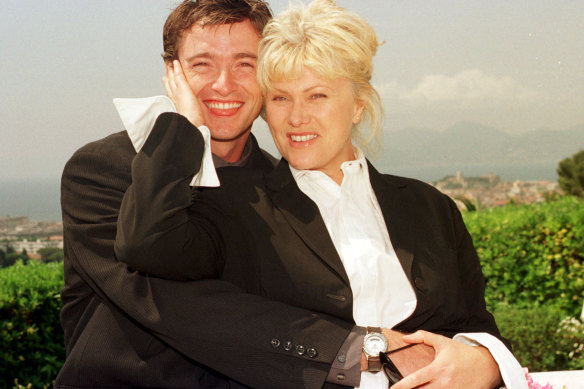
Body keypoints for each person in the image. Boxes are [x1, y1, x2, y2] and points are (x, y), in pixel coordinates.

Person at [114, 0, 529, 388]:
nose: (296, 117)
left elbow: (475, 325)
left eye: (318, 95)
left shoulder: (429, 206)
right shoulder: (236, 207)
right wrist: (184, 125)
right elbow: (146, 244)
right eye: (280, 97)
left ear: (358, 105)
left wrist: (487, 362)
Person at [57, 1, 367, 388]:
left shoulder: (289, 186)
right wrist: (348, 348)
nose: (224, 84)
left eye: (245, 64)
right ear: (172, 72)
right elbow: (164, 302)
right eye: (202, 64)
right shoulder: (101, 169)